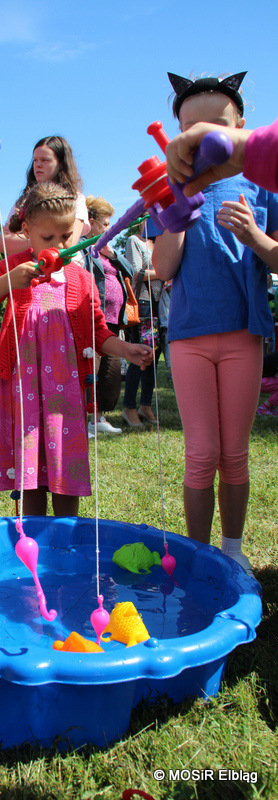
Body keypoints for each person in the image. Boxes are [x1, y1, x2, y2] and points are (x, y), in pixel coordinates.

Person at [152, 71, 278, 575]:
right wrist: (175, 215)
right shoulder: (169, 186)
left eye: (216, 126)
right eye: (191, 126)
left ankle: (230, 550)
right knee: (201, 454)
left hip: (244, 333)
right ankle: (196, 555)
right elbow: (162, 268)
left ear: (241, 126)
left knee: (235, 453)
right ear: (177, 130)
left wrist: (256, 238)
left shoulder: (263, 179)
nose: (203, 137)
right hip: (189, 335)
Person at [0, 182, 152, 516]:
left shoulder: (79, 278)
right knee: (31, 473)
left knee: (66, 465)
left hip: (65, 393)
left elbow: (97, 331)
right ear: (27, 231)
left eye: (66, 236)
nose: (59, 246)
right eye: (47, 238)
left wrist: (125, 349)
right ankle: (34, 543)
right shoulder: (16, 266)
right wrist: (9, 280)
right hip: (24, 390)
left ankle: (67, 540)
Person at [82, 196, 134, 436]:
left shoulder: (109, 251)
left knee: (111, 373)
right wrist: (96, 245)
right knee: (91, 369)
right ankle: (83, 419)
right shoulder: (84, 247)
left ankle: (99, 417)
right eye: (105, 225)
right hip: (92, 317)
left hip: (114, 319)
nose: (109, 229)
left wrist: (112, 253)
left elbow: (131, 270)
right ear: (90, 222)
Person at [0, 136, 90, 256]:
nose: (38, 165)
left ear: (61, 163)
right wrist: (41, 239)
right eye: (35, 160)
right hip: (27, 271)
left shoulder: (75, 198)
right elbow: (4, 244)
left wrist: (30, 238)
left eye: (45, 160)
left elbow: (70, 243)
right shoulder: (24, 200)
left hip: (63, 269)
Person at [165, 118, 278, 195]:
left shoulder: (261, 188)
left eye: (219, 126)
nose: (204, 140)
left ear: (239, 127)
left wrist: (248, 147)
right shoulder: (171, 191)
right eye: (192, 129)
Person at [122, 220, 163, 429]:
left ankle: (145, 405)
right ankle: (129, 406)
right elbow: (136, 273)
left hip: (161, 306)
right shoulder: (134, 241)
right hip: (144, 305)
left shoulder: (161, 243)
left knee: (155, 359)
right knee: (141, 356)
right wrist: (165, 271)